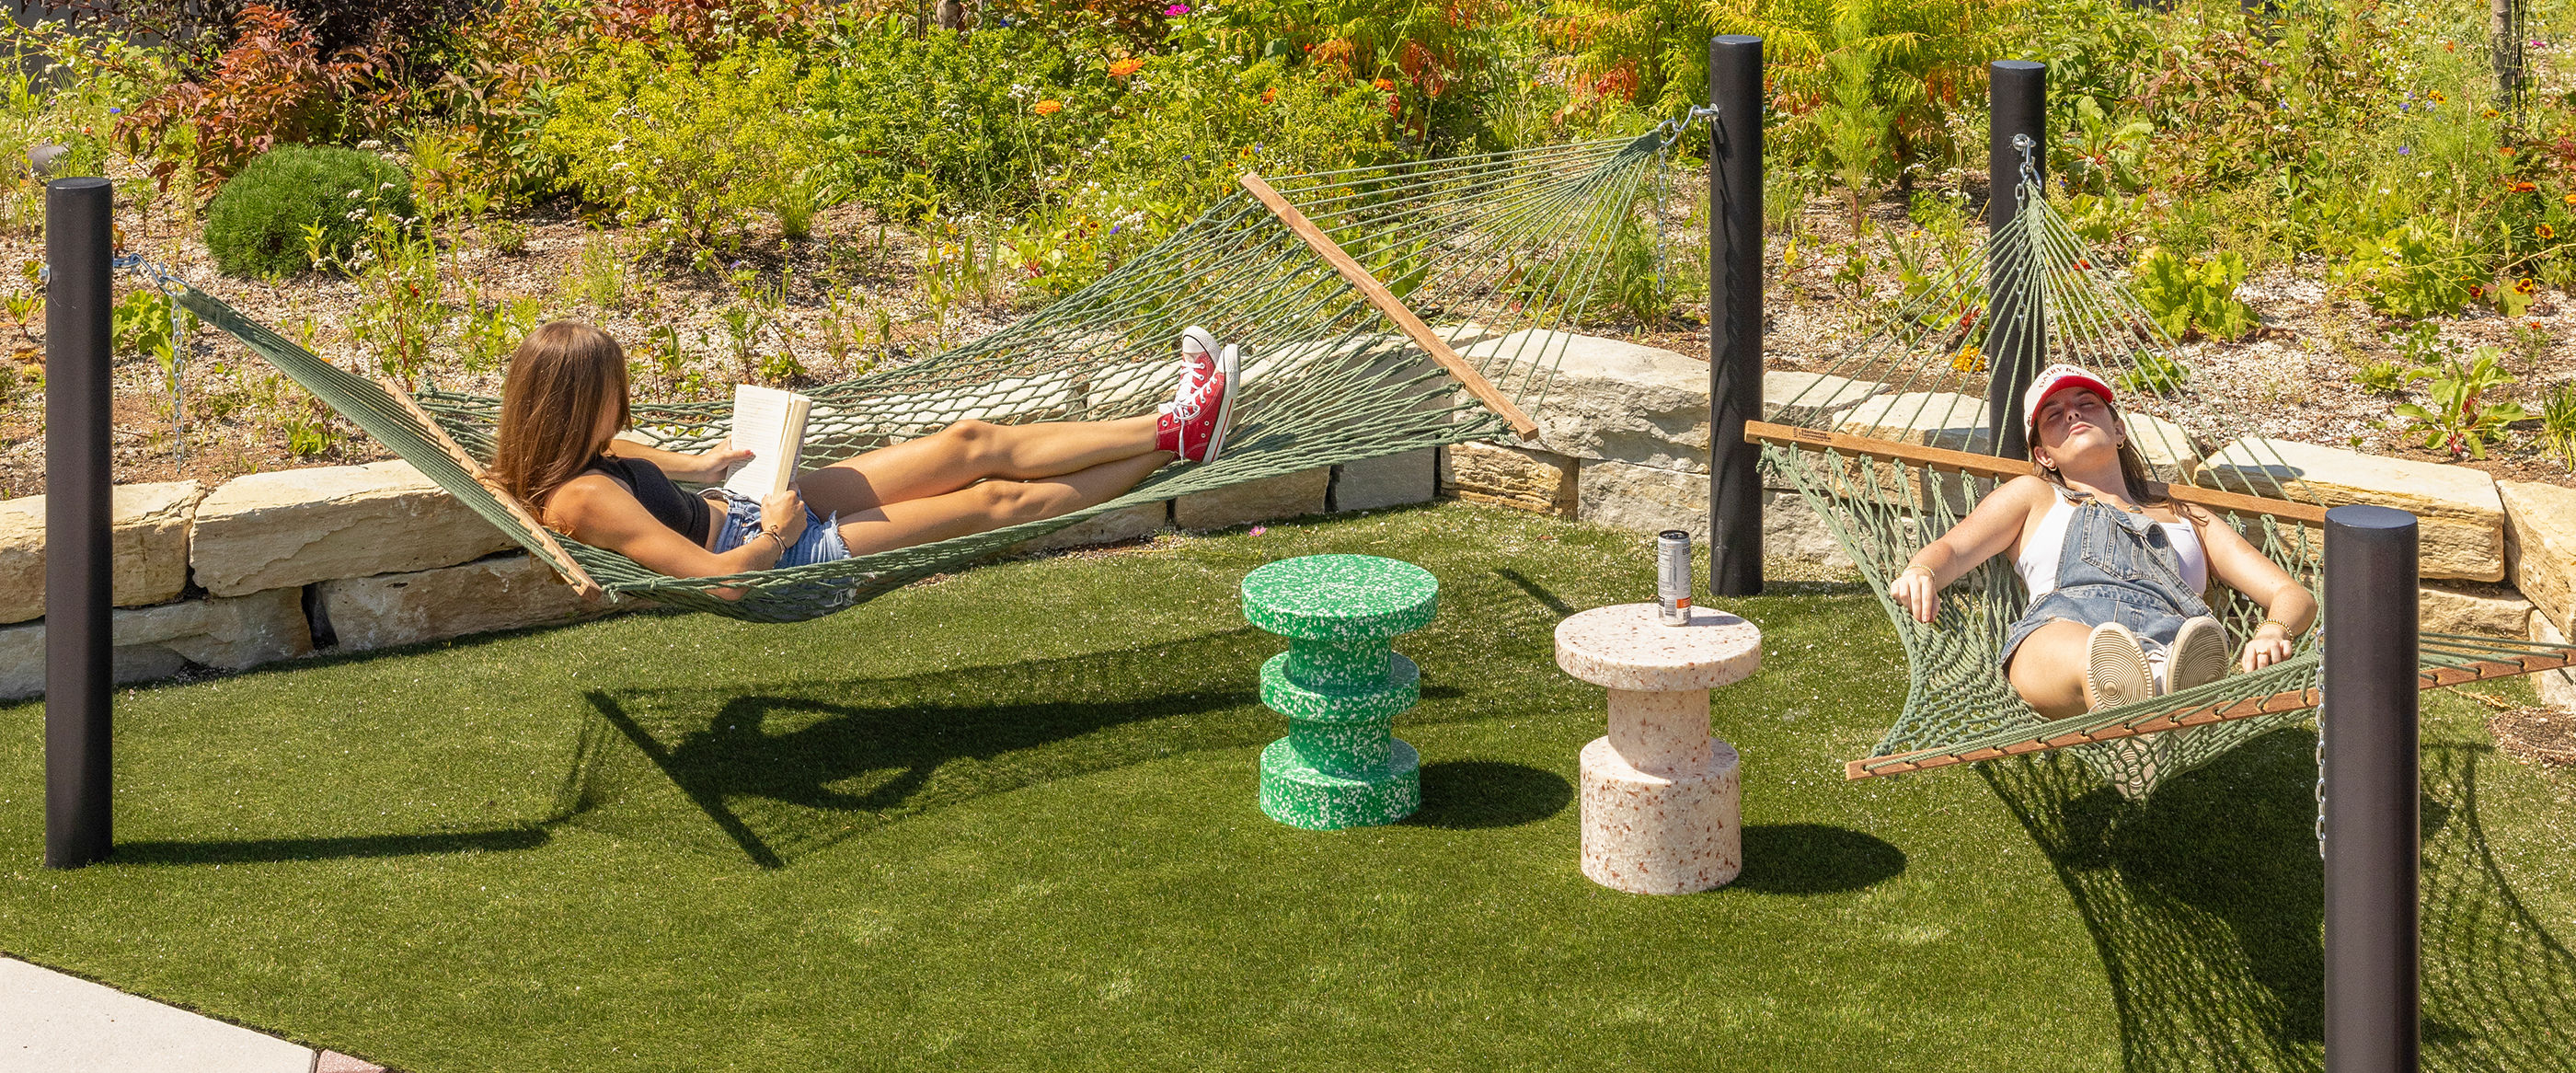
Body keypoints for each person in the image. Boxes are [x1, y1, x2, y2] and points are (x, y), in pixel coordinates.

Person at [489, 321, 1238, 597]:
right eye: (612, 393)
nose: (623, 406)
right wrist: (779, 534)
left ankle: (1172, 425)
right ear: (575, 405)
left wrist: (699, 463)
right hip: (780, 561)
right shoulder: (579, 499)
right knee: (995, 501)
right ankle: (1181, 435)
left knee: (968, 442)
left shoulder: (569, 452)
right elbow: (721, 586)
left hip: (756, 509)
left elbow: (622, 450)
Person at [1886, 363, 2317, 718]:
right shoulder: (2034, 495)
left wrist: (2273, 630)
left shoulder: (2187, 516)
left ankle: (2152, 687)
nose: (2072, 414)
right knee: (2091, 651)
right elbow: (1954, 549)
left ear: (2119, 430)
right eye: (2053, 414)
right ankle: (2151, 689)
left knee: (2158, 653)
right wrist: (1921, 570)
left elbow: (2290, 592)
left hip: (2175, 641)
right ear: (2043, 455)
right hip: (2061, 639)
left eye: (2086, 404)